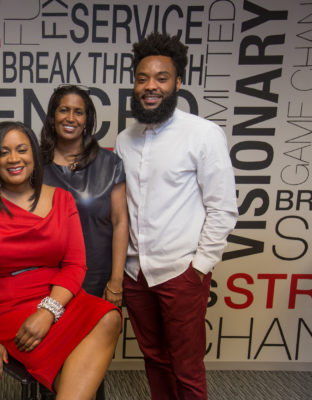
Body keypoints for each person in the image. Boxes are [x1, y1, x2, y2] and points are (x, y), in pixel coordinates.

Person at [0, 121, 122, 400]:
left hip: (59, 300)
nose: (14, 158)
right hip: (9, 310)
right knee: (72, 372)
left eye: (22, 149)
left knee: (109, 317)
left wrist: (48, 312)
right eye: (4, 152)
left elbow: (75, 265)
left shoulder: (62, 199)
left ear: (34, 156)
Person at [114, 33, 238, 400]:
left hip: (181, 271)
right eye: (142, 78)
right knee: (154, 359)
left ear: (178, 83)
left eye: (161, 78)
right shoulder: (125, 139)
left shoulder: (203, 134)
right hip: (136, 273)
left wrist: (199, 267)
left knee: (186, 367)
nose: (150, 86)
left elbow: (222, 207)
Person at [40, 84, 128, 306]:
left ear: (87, 120)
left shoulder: (110, 164)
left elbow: (120, 222)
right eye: (63, 110)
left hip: (97, 277)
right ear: (52, 117)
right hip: (45, 279)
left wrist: (116, 281)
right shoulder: (35, 165)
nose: (70, 118)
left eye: (78, 112)